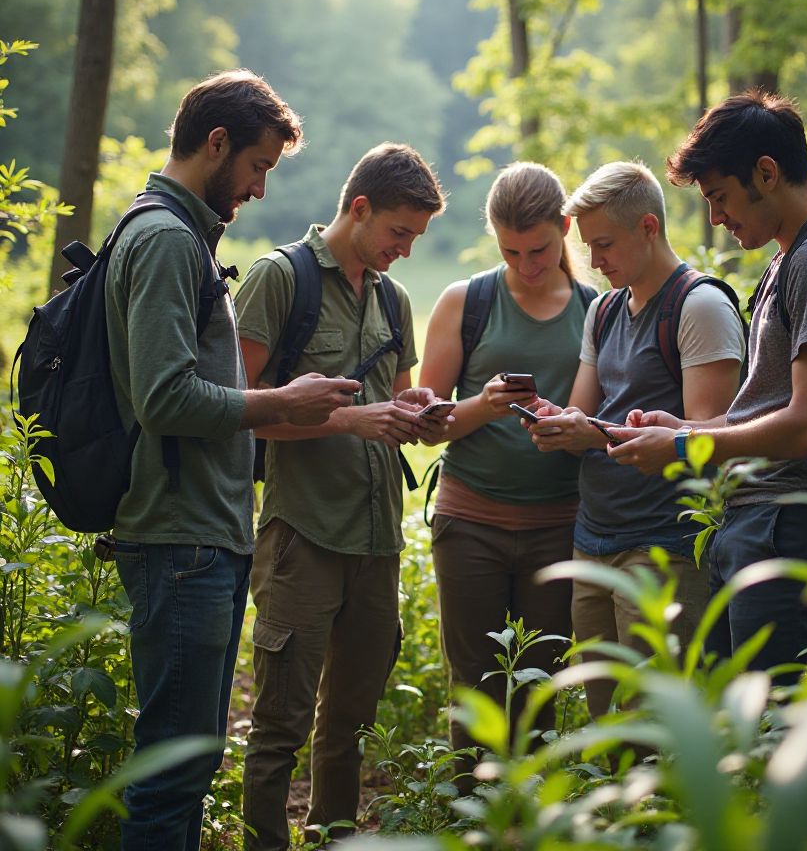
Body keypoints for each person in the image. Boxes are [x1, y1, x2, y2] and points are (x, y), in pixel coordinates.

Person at [105, 70, 362, 850]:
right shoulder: (162, 240)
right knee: (172, 771)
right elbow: (164, 399)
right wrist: (279, 403)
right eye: (257, 166)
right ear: (215, 143)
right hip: (177, 538)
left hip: (203, 537)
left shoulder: (181, 237)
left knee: (190, 761)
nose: (256, 188)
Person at [609, 90, 807, 679]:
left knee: (773, 723)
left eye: (719, 196)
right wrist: (683, 428)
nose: (715, 217)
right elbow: (774, 408)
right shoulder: (795, 257)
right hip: (766, 524)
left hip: (790, 528)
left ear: (766, 172)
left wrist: (687, 447)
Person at [235, 142, 447, 848]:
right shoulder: (278, 279)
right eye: (398, 233)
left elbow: (393, 403)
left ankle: (331, 836)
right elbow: (236, 408)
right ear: (359, 209)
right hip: (303, 534)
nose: (405, 251)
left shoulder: (396, 298)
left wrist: (414, 408)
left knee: (351, 722)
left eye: (416, 238)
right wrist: (351, 419)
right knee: (279, 724)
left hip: (378, 538)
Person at [526, 161, 745, 718]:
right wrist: (556, 422)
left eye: (604, 245)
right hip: (593, 538)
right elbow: (585, 416)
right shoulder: (603, 310)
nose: (594, 262)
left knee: (660, 722)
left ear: (648, 228)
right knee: (609, 720)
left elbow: (708, 441)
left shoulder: (700, 307)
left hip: (663, 547)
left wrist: (592, 435)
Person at [417, 162, 595, 781]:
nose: (527, 264)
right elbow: (427, 420)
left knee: (542, 687)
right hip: (471, 525)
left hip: (560, 527)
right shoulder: (467, 301)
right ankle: (473, 818)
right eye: (510, 251)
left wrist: (566, 430)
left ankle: (532, 820)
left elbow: (603, 426)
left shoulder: (597, 311)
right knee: (475, 688)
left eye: (540, 249)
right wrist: (482, 405)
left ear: (566, 228)